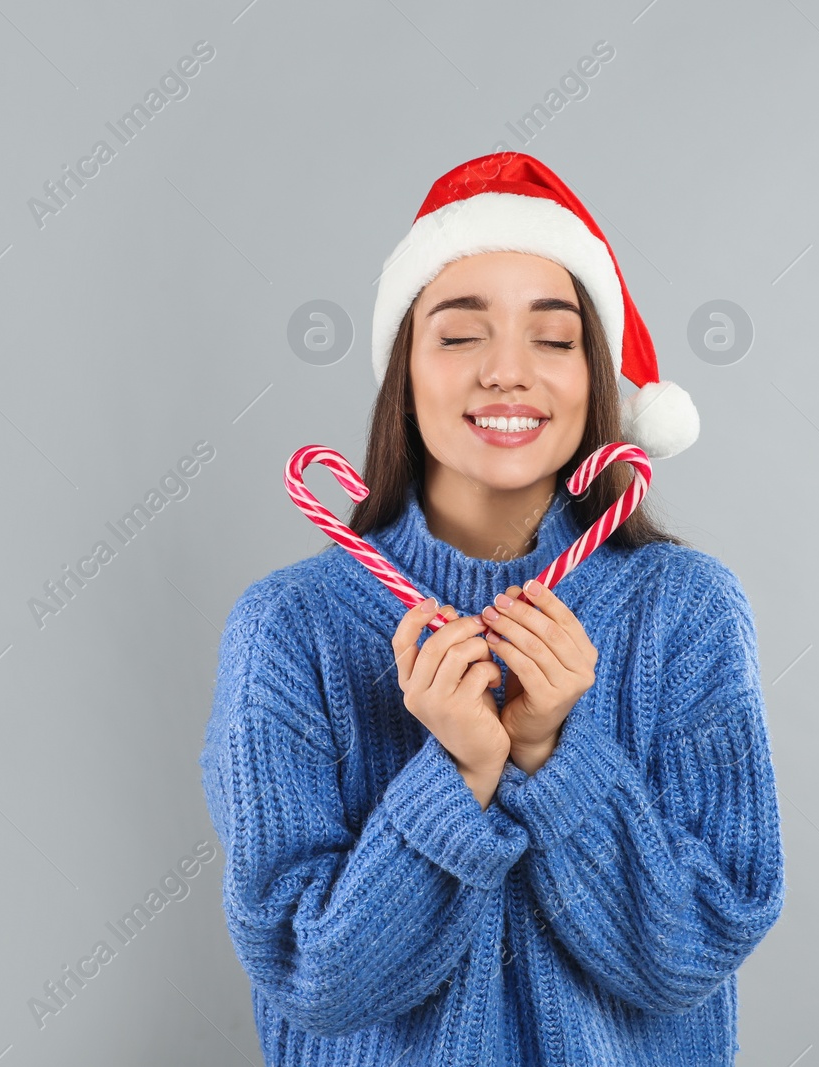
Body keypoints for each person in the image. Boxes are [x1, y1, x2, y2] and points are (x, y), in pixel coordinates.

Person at [200, 152, 784, 1066]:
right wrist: (461, 772)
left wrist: (555, 753)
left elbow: (692, 948)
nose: (508, 372)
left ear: (594, 377)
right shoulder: (290, 629)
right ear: (404, 372)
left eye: (553, 340)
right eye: (460, 335)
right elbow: (315, 979)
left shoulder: (686, 611)